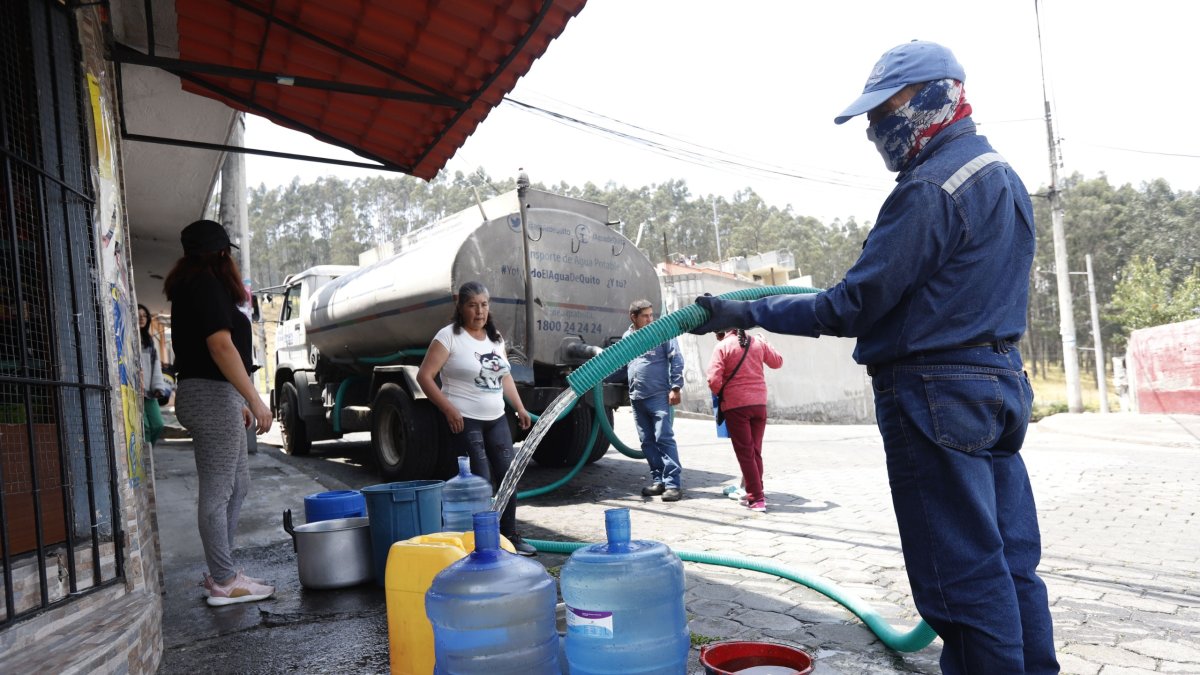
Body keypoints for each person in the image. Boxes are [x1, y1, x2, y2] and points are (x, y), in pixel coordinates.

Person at [690, 41, 1058, 674]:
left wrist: (744, 310)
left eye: (883, 113)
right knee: (1010, 564)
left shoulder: (930, 189)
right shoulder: (1001, 177)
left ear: (930, 99)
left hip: (934, 394)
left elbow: (848, 307)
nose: (873, 131)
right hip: (998, 385)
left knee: (963, 581)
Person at [164, 219, 275, 607]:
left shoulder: (195, 286)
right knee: (218, 490)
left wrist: (241, 400)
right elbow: (221, 348)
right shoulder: (206, 285)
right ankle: (225, 580)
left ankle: (222, 569)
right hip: (211, 396)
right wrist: (256, 399)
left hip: (218, 395)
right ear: (223, 254)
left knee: (237, 485)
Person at [416, 281, 538, 556]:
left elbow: (504, 374)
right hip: (465, 419)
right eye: (473, 305)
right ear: (461, 307)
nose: (479, 311)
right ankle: (484, 541)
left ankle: (510, 535)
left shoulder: (495, 338)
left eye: (484, 305)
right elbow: (424, 377)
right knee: (481, 480)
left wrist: (519, 407)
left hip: (496, 417)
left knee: (509, 474)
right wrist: (449, 409)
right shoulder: (448, 337)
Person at [706, 329, 783, 513]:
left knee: (745, 454)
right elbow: (777, 362)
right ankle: (756, 491)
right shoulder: (758, 343)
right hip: (759, 404)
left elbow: (712, 379)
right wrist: (766, 341)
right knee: (755, 452)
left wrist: (723, 394)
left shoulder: (722, 346)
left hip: (736, 406)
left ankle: (756, 499)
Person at [620, 299, 685, 502]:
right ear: (634, 317)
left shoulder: (661, 332)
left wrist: (675, 387)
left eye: (651, 315)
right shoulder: (627, 337)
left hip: (658, 394)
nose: (650, 319)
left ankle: (673, 484)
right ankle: (659, 481)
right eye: (645, 316)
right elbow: (621, 363)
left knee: (663, 438)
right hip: (637, 397)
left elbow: (676, 358)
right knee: (647, 441)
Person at [138, 304, 168, 446]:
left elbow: (156, 366)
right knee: (145, 428)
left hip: (149, 392)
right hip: (134, 391)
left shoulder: (149, 342)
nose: (141, 318)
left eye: (144, 316)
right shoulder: (128, 338)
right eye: (138, 315)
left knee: (157, 425)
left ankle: (148, 454)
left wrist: (158, 387)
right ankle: (146, 461)